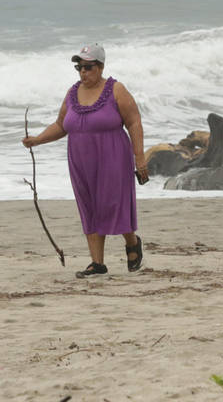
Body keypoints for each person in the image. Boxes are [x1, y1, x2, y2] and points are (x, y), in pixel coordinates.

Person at [22, 44, 147, 278]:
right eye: (79, 67)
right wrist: (38, 140)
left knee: (112, 204)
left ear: (100, 67)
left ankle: (132, 241)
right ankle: (97, 263)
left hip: (113, 156)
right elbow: (61, 125)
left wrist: (139, 158)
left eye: (88, 67)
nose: (83, 72)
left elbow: (134, 122)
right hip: (80, 159)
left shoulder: (116, 90)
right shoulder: (72, 93)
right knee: (89, 206)